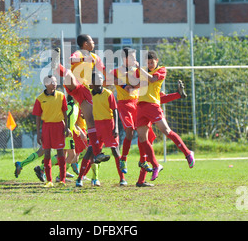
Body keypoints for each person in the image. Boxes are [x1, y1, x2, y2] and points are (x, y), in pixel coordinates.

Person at [131, 50, 195, 187]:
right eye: (147, 63)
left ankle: (188, 153)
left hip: (153, 106)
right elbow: (137, 82)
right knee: (142, 139)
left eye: (151, 62)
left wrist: (139, 70)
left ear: (157, 61)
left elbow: (153, 79)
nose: (149, 64)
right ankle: (155, 165)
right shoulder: (142, 70)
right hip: (141, 107)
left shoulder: (161, 70)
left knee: (166, 131)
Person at [52, 34, 110, 164]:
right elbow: (72, 60)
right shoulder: (78, 53)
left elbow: (105, 71)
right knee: (69, 76)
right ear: (85, 44)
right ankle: (57, 66)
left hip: (84, 91)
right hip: (75, 86)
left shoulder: (95, 57)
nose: (94, 42)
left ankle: (97, 153)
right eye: (91, 41)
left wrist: (112, 79)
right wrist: (85, 59)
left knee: (91, 120)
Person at [75, 72, 125, 187]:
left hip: (108, 125)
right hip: (95, 126)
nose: (100, 81)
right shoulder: (89, 95)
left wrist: (116, 127)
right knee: (90, 151)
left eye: (101, 79)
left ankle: (122, 178)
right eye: (96, 80)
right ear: (92, 83)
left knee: (115, 150)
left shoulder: (108, 93)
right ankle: (80, 179)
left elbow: (115, 110)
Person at [32, 75, 71, 187]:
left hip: (58, 127)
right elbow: (38, 116)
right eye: (51, 82)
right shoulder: (40, 98)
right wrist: (39, 133)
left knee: (60, 153)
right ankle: (49, 181)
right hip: (46, 128)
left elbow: (65, 113)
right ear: (45, 84)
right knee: (47, 153)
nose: (54, 83)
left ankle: (62, 180)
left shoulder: (61, 96)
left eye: (55, 81)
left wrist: (66, 127)